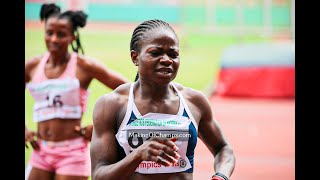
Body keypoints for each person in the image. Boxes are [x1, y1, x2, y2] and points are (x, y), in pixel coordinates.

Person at [90, 19, 236, 180]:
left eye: (173, 54)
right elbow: (99, 175)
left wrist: (221, 176)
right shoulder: (111, 105)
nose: (167, 60)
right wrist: (138, 155)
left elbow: (223, 148)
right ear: (135, 57)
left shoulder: (194, 102)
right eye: (155, 53)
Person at [25, 3, 129, 180]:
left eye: (61, 34)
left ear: (73, 37)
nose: (54, 39)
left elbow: (131, 91)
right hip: (40, 152)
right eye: (49, 33)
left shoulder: (83, 66)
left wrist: (101, 128)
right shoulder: (33, 66)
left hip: (72, 153)